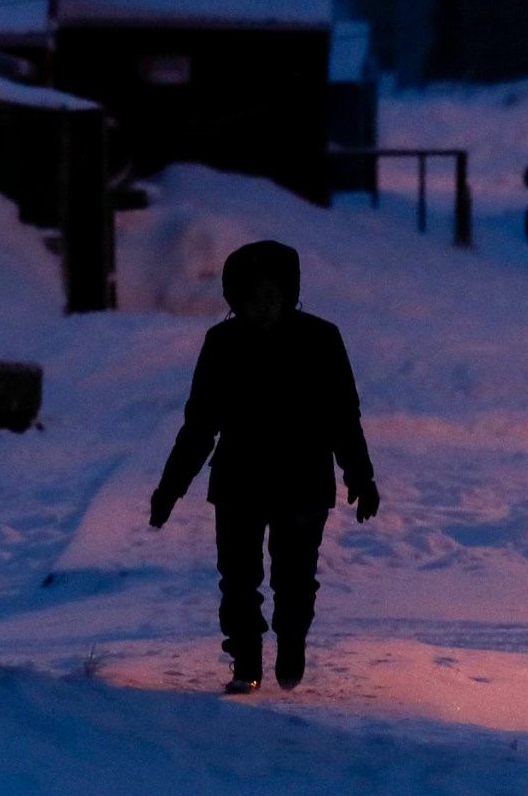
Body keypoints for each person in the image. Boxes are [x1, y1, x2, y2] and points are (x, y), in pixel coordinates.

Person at [149, 240, 379, 694]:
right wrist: (171, 488)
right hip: (240, 480)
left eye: (270, 298)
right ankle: (246, 662)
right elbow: (200, 424)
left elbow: (341, 415)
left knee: (294, 578)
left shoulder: (320, 339)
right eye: (250, 300)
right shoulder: (222, 344)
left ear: (289, 296)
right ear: (235, 302)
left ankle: (291, 640)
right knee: (238, 578)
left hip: (304, 481)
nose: (261, 309)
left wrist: (361, 476)